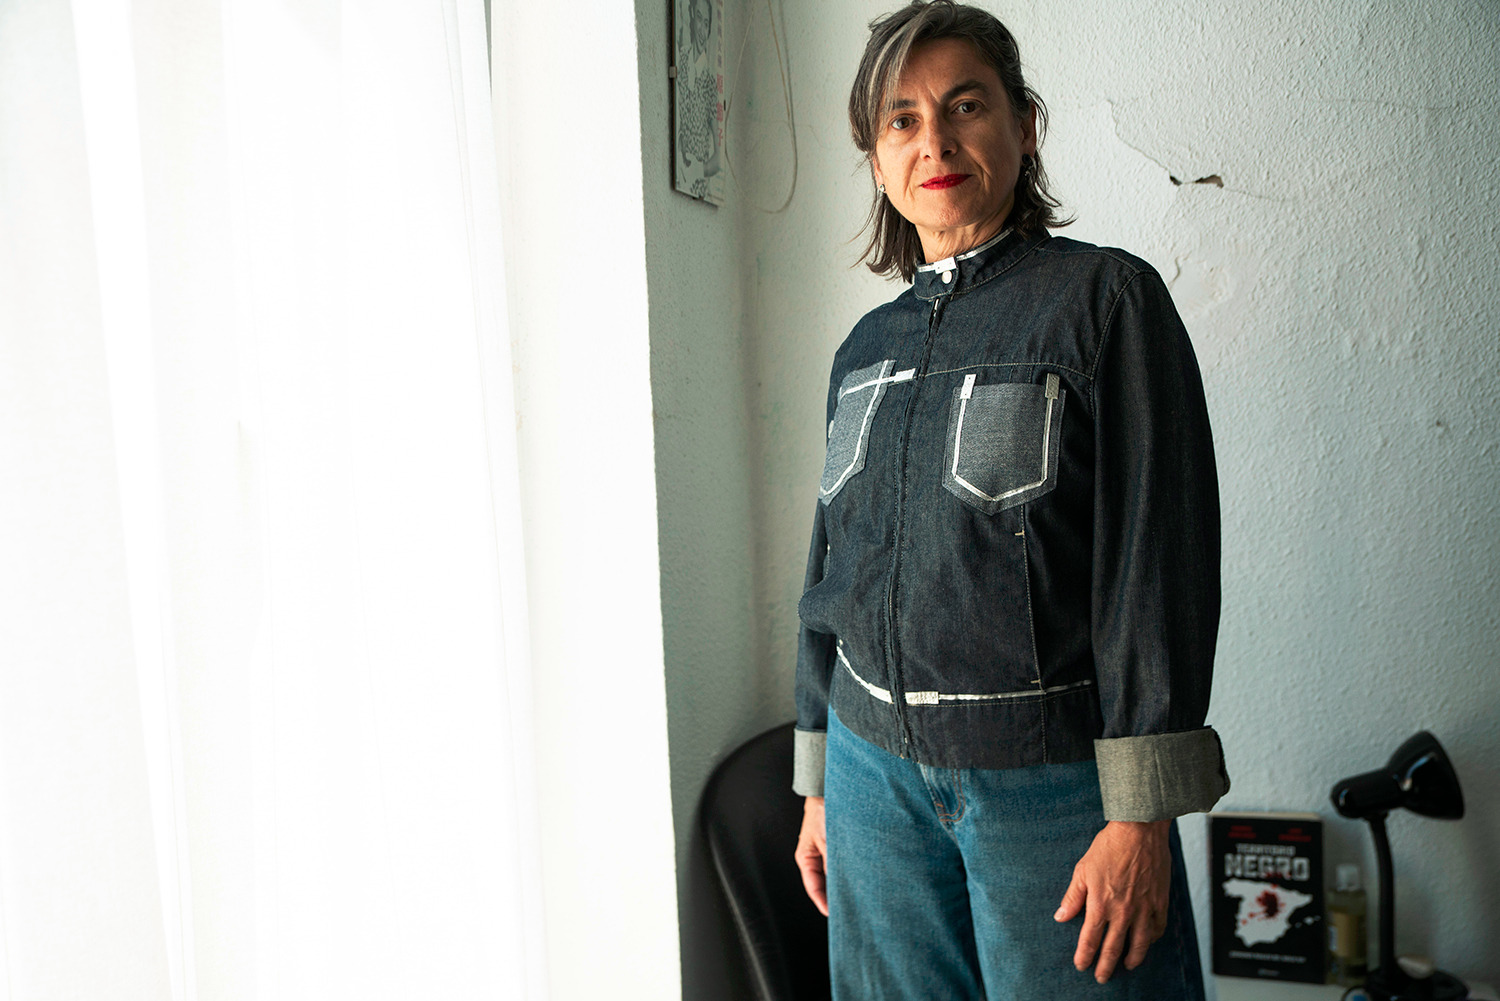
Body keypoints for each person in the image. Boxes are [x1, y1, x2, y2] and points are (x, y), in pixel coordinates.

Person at [790, 3, 1230, 998]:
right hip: (870, 782)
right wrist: (819, 783)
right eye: (902, 120)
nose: (935, 143)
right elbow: (830, 569)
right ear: (877, 159)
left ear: (1024, 125)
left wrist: (1140, 817)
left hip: (1050, 787)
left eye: (965, 106)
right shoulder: (864, 349)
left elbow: (1154, 564)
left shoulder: (1105, 303)